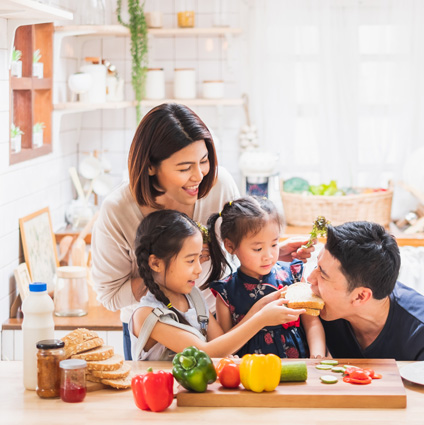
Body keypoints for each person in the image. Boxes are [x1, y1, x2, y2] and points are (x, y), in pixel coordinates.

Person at [91, 103, 314, 360]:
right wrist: (169, 268)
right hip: (154, 328)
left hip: (209, 319)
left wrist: (262, 250)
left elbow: (239, 236)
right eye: (184, 168)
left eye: (204, 161)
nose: (199, 175)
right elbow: (109, 297)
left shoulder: (219, 184)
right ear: (151, 166)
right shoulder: (118, 211)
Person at [129, 209, 304, 360]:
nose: (199, 269)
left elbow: (224, 343)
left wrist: (259, 307)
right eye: (190, 261)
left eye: (200, 258)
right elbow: (206, 352)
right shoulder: (146, 315)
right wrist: (261, 319)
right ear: (155, 263)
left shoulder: (194, 296)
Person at [308, 221, 424, 361]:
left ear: (360, 296)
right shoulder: (323, 307)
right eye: (317, 266)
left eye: (322, 274)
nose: (310, 279)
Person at [207, 197, 326, 358]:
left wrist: (317, 356)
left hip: (297, 366)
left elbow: (311, 322)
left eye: (274, 244)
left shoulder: (292, 275)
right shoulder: (226, 293)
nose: (268, 256)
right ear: (230, 246)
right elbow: (228, 344)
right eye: (258, 249)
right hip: (252, 372)